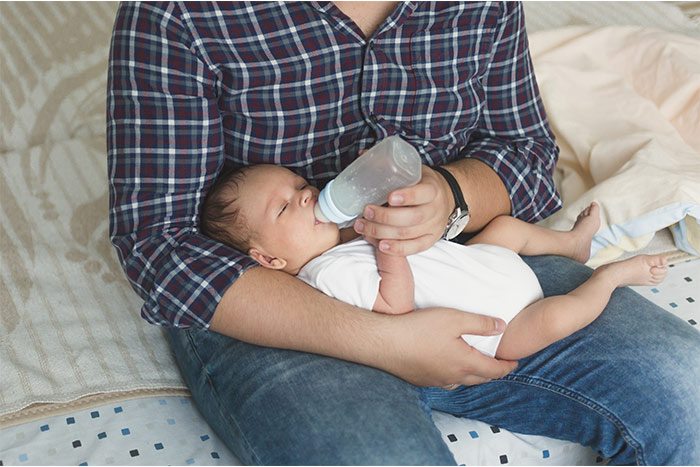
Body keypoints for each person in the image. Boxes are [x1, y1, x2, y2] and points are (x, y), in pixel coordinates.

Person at [107, 2, 700, 464]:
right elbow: (160, 242)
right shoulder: (180, 12)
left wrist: (452, 195)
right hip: (274, 304)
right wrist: (382, 340)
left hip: (459, 261)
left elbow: (526, 153)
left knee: (687, 392)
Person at [200, 163, 669, 362]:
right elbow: (391, 307)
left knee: (504, 229)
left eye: (300, 186)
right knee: (559, 315)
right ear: (268, 258)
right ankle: (610, 276)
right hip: (501, 325)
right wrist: (390, 253)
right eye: (285, 208)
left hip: (480, 265)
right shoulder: (325, 276)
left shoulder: (340, 238)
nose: (306, 197)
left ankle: (572, 245)